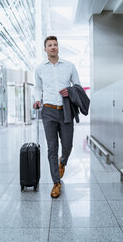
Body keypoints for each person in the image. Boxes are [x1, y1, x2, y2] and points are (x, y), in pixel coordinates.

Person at [33, 35, 81, 198]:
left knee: (67, 145)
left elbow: (79, 87)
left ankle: (63, 161)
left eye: (55, 45)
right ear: (45, 49)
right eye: (50, 45)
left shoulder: (69, 66)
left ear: (58, 47)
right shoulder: (39, 69)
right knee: (52, 148)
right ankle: (56, 183)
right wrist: (37, 100)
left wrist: (70, 91)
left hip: (66, 110)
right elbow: (37, 89)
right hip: (48, 111)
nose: (53, 47)